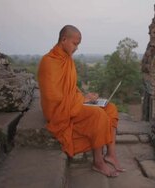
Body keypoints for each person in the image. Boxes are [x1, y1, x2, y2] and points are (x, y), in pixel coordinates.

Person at [38, 25, 124, 177]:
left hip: (72, 104)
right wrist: (81, 99)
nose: (76, 48)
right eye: (75, 43)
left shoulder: (67, 59)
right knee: (98, 115)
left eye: (78, 44)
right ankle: (98, 162)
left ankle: (111, 154)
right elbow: (54, 97)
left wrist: (86, 96)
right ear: (64, 40)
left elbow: (70, 87)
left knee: (110, 108)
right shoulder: (48, 62)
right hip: (59, 111)